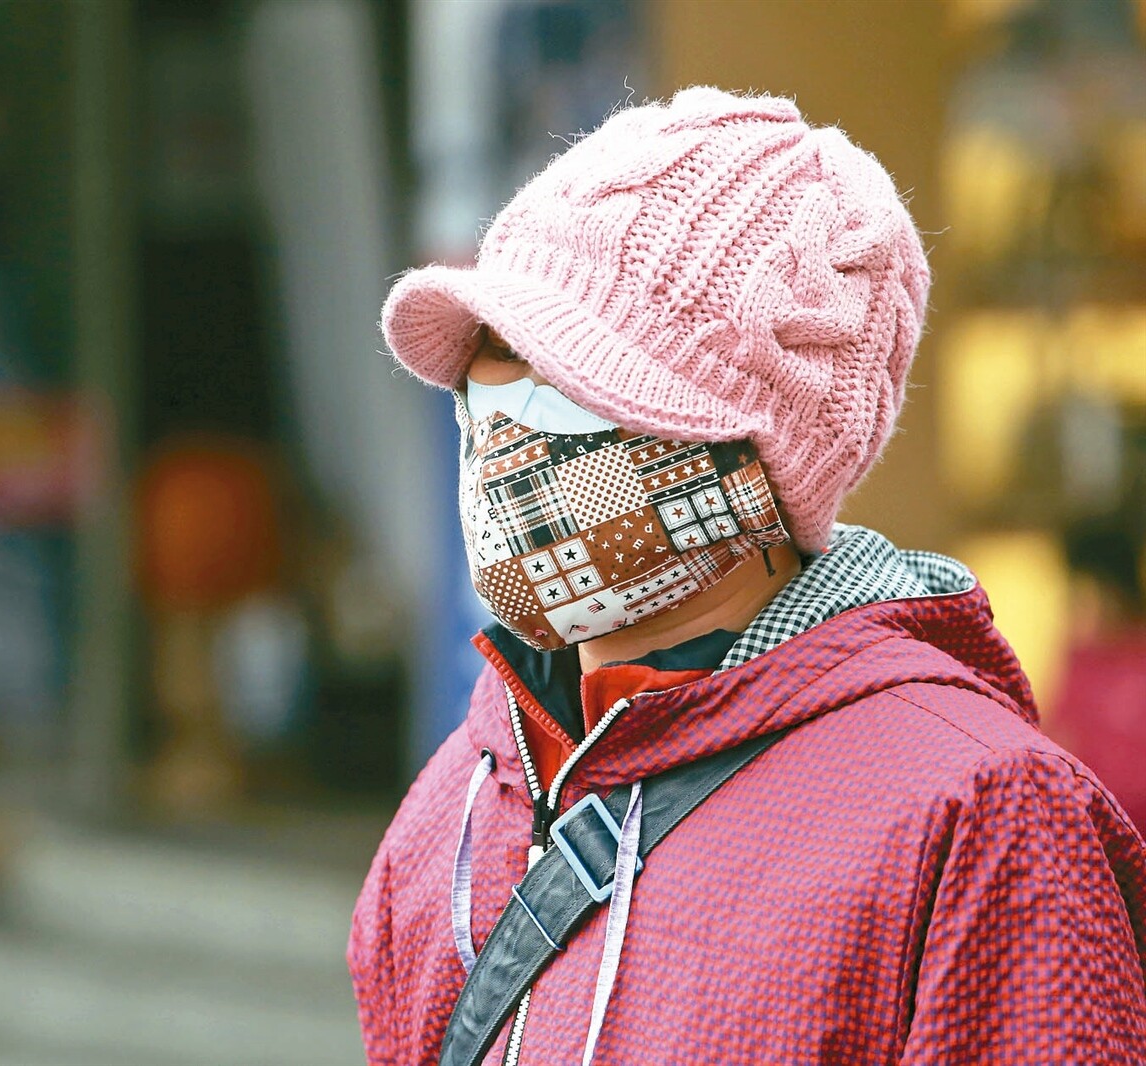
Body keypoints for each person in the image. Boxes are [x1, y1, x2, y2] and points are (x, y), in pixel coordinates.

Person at [349, 87, 1146, 1065]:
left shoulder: (977, 816)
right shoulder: (465, 798)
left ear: (752, 455)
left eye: (573, 371)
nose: (506, 414)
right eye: (493, 350)